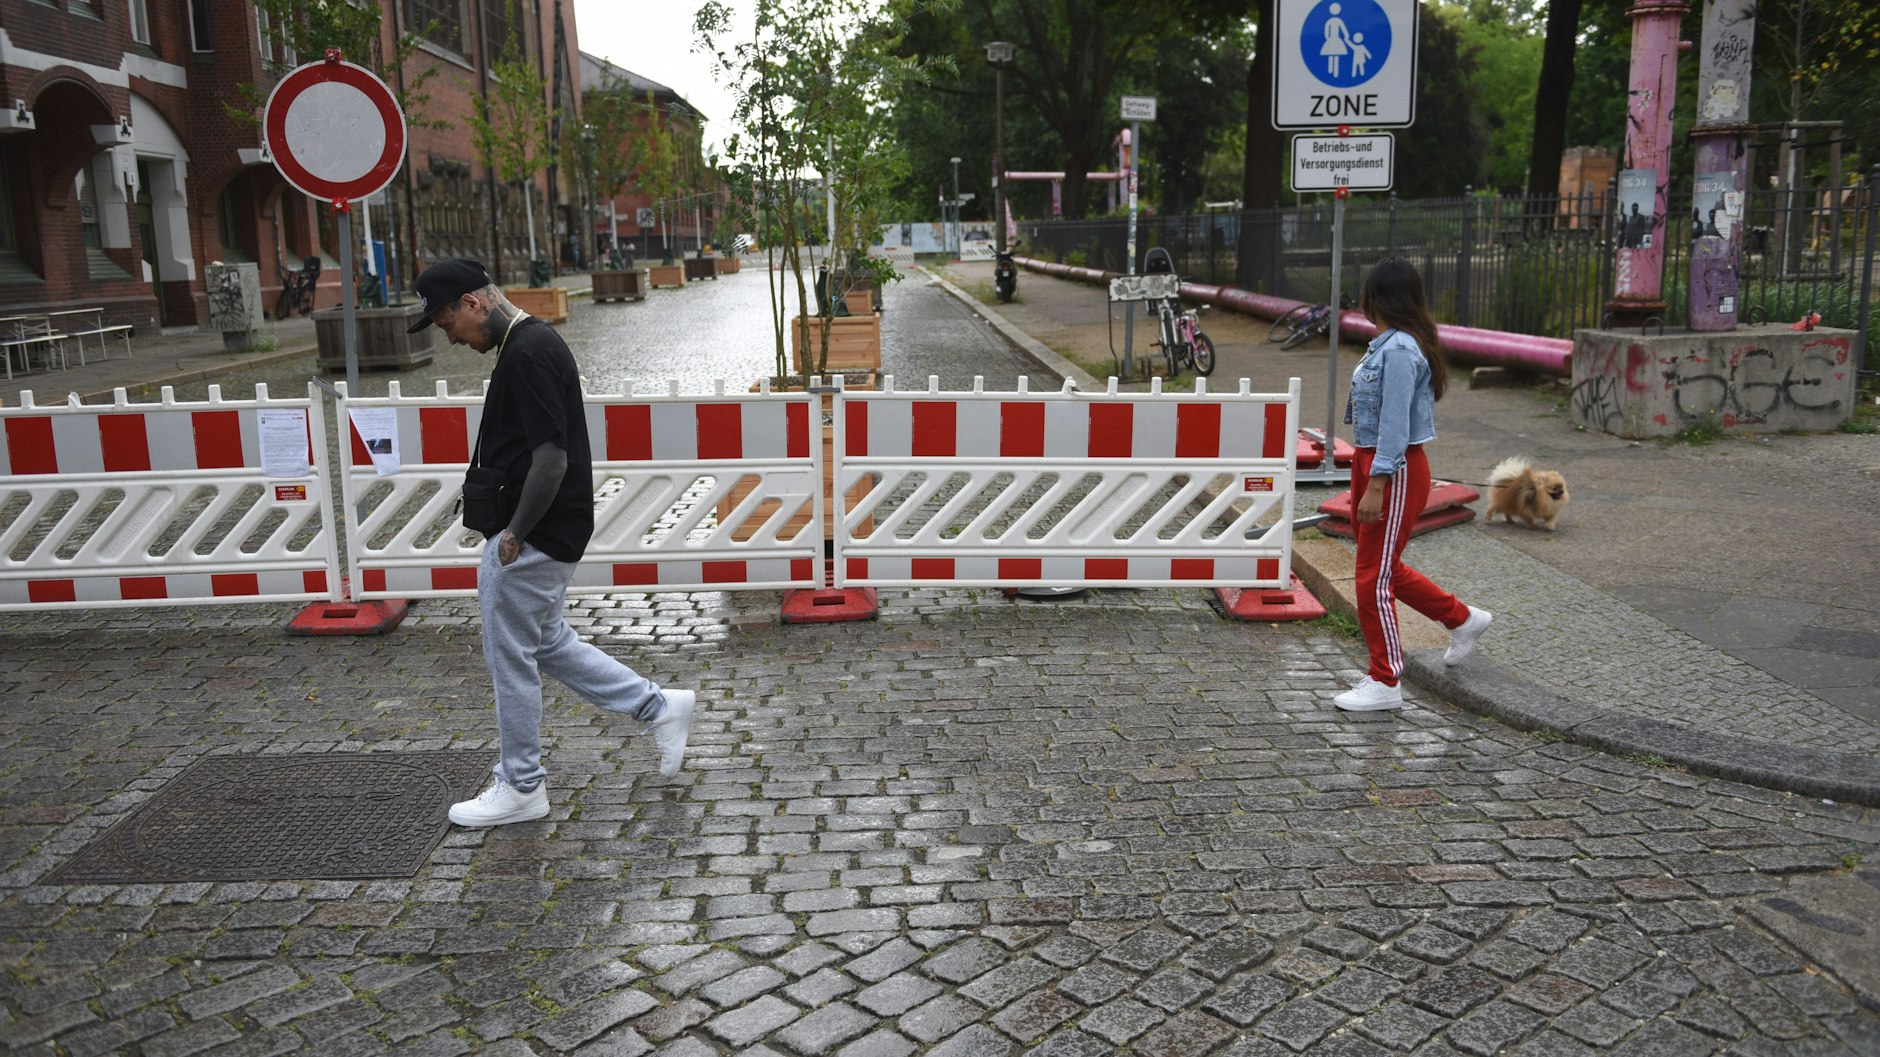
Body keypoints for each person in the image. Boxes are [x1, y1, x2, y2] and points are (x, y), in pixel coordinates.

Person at [406, 259, 696, 825]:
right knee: (546, 643)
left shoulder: (530, 353)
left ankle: (522, 785)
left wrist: (513, 535)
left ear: (473, 303)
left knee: (509, 657)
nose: (449, 337)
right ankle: (657, 706)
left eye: (446, 323)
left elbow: (551, 457)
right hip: (547, 526)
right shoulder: (526, 345)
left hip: (533, 531)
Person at [1336, 257, 1492, 711]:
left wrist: (1378, 482)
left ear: (1377, 298)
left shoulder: (1401, 349)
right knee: (1382, 567)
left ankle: (1385, 681)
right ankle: (1463, 619)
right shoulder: (1386, 344)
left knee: (1372, 577)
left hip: (1394, 467)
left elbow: (1396, 423)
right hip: (1374, 463)